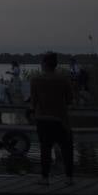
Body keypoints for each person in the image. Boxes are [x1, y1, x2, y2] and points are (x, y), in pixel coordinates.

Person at [30, 51, 74, 186]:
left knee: (45, 148)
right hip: (60, 119)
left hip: (42, 119)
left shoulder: (36, 80)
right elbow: (69, 100)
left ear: (44, 64)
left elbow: (33, 101)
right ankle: (69, 178)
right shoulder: (63, 79)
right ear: (55, 65)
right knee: (66, 148)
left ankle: (45, 178)